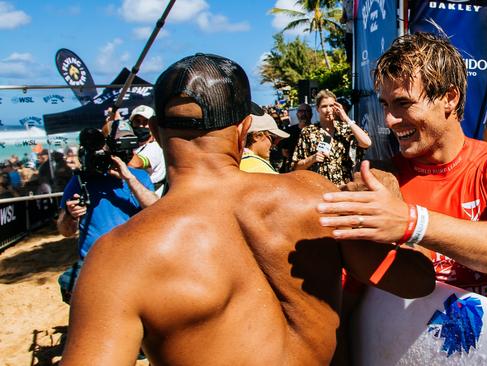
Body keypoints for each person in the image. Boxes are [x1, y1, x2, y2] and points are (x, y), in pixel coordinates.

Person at [60, 53, 435, 366]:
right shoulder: (315, 195)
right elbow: (417, 281)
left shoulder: (121, 255)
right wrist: (396, 208)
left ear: (155, 133)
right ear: (244, 130)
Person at [317, 33, 487, 303]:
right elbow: (351, 296)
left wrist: (411, 222)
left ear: (449, 98)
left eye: (403, 103)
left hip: (478, 338)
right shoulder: (381, 180)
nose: (389, 120)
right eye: (386, 105)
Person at [56, 122, 158, 303]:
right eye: (119, 142)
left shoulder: (139, 177)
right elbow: (65, 231)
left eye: (128, 142)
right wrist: (71, 215)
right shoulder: (81, 180)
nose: (124, 149)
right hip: (95, 265)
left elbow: (156, 211)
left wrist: (128, 178)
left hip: (137, 263)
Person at [292, 90, 372, 185]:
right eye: (324, 106)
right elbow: (295, 167)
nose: (329, 110)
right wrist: (312, 159)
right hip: (317, 187)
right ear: (317, 109)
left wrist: (346, 118)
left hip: (343, 188)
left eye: (331, 105)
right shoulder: (308, 131)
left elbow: (367, 143)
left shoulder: (345, 129)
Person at [127, 105, 167, 196]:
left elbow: (136, 164)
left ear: (153, 125)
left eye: (146, 122)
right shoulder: (132, 145)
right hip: (133, 193)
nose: (141, 125)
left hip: (151, 194)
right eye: (137, 121)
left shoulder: (156, 146)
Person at [277, 103, 313, 173]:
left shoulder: (317, 132)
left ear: (311, 114)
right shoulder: (288, 132)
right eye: (301, 111)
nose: (303, 114)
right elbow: (285, 152)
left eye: (306, 111)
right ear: (297, 114)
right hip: (292, 171)